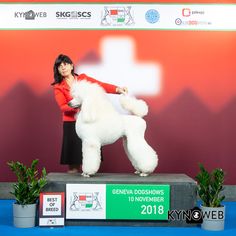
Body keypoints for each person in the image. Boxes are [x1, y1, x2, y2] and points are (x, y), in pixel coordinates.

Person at [52, 54, 128, 173]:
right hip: (72, 124)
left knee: (92, 152)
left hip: (90, 122)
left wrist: (117, 89)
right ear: (57, 69)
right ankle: (73, 188)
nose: (63, 67)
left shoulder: (83, 78)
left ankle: (90, 175)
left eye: (65, 64)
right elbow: (63, 107)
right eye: (59, 66)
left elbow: (100, 85)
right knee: (73, 164)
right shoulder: (58, 87)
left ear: (72, 66)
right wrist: (81, 106)